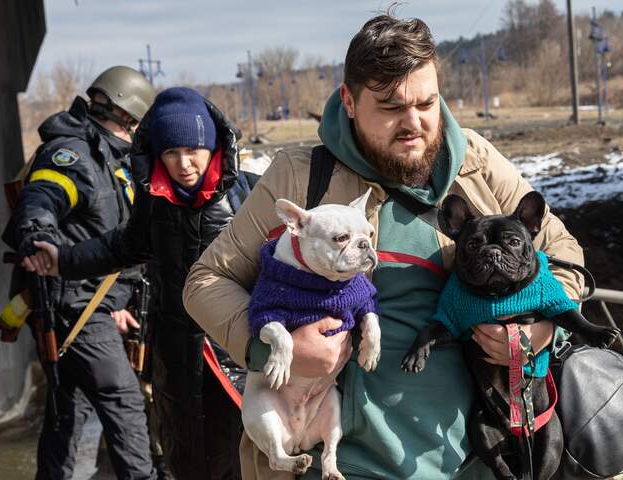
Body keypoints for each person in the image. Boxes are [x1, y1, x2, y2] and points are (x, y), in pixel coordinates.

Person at [180, 11, 585, 480]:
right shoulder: (300, 175)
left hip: (476, 458)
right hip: (330, 461)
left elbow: (563, 254)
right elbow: (206, 281)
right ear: (349, 101)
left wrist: (541, 330)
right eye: (391, 107)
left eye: (427, 103)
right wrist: (272, 350)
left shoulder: (476, 162)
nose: (413, 123)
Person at [23, 87, 259, 480]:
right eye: (170, 153)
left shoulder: (250, 193)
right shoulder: (155, 201)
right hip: (175, 359)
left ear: (213, 145)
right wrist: (61, 261)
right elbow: (123, 245)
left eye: (192, 151)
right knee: (187, 457)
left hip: (236, 356)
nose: (183, 164)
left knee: (244, 457)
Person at [4, 65, 157, 480]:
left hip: (92, 308)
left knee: (67, 411)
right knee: (123, 399)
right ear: (127, 118)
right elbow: (41, 198)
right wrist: (40, 241)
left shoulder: (107, 156)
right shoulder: (74, 155)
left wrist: (114, 305)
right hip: (75, 308)